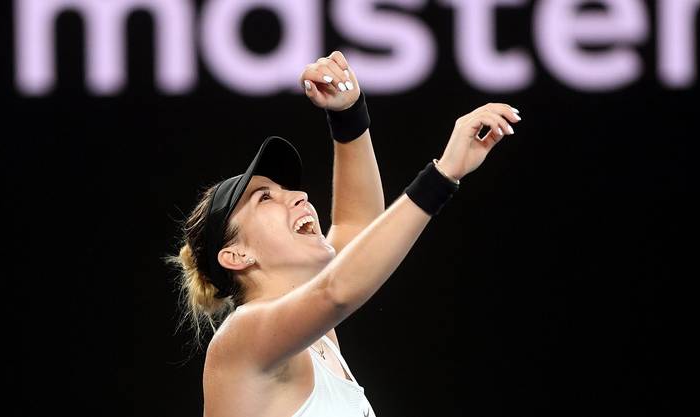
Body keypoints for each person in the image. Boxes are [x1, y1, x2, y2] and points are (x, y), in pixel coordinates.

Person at [167, 51, 521, 417]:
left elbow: (358, 226)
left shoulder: (318, 338)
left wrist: (349, 115)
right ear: (237, 255)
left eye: (286, 189)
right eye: (265, 197)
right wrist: (443, 174)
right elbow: (335, 291)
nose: (299, 195)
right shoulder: (241, 337)